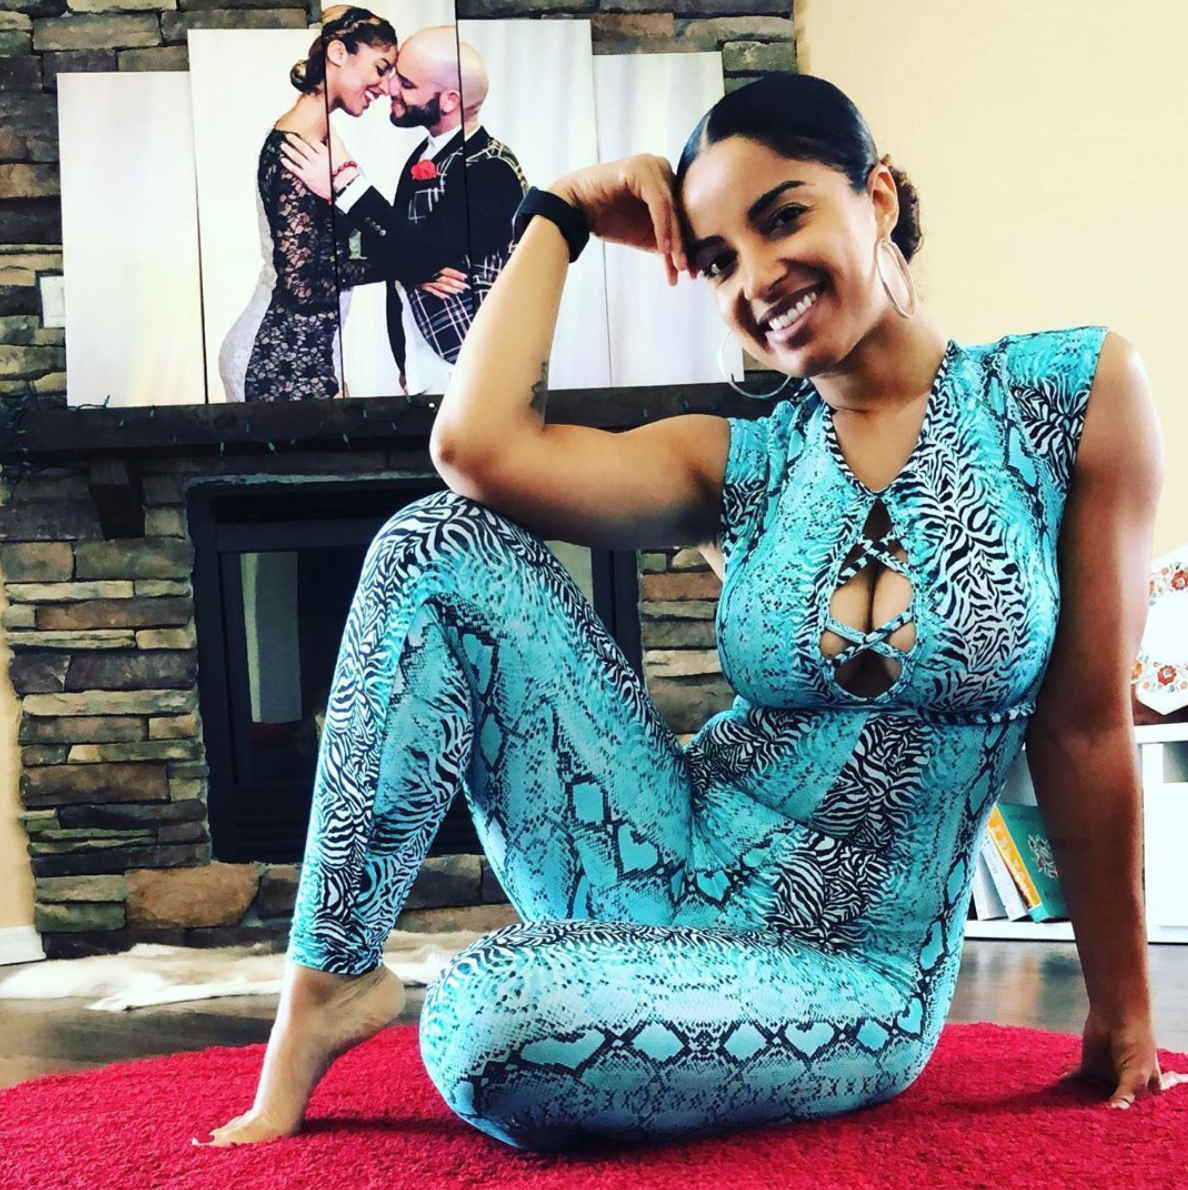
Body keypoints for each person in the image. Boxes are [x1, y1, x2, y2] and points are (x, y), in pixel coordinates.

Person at [195, 72, 1185, 1152]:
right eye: (716, 260)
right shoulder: (744, 459)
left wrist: (1123, 1007)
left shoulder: (1067, 394)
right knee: (437, 544)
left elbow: (1085, 726)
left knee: (490, 1018)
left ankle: (568, 995)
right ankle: (327, 985)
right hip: (652, 850)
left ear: (878, 197)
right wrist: (561, 214)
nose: (757, 279)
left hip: (851, 967)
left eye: (784, 218)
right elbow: (474, 449)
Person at [279, 25, 528, 391]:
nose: (390, 88)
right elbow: (399, 247)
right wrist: (406, 360)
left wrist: (346, 183)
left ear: (449, 101)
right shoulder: (424, 155)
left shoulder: (493, 170)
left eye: (407, 84)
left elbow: (423, 253)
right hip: (422, 364)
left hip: (469, 369)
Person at [216, 6, 397, 403]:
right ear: (338, 54)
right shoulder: (295, 147)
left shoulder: (319, 136)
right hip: (275, 356)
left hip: (303, 350)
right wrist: (400, 266)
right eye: (381, 68)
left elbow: (342, 249)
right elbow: (301, 285)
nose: (386, 87)